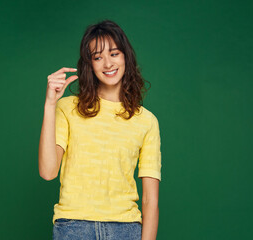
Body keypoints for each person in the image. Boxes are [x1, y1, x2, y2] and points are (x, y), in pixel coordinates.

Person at [39, 19, 162, 240]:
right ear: (90, 64)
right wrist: (50, 105)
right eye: (98, 57)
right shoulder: (67, 108)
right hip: (74, 228)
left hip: (126, 230)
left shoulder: (147, 121)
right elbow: (48, 172)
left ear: (126, 57)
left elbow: (150, 201)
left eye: (114, 54)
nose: (107, 64)